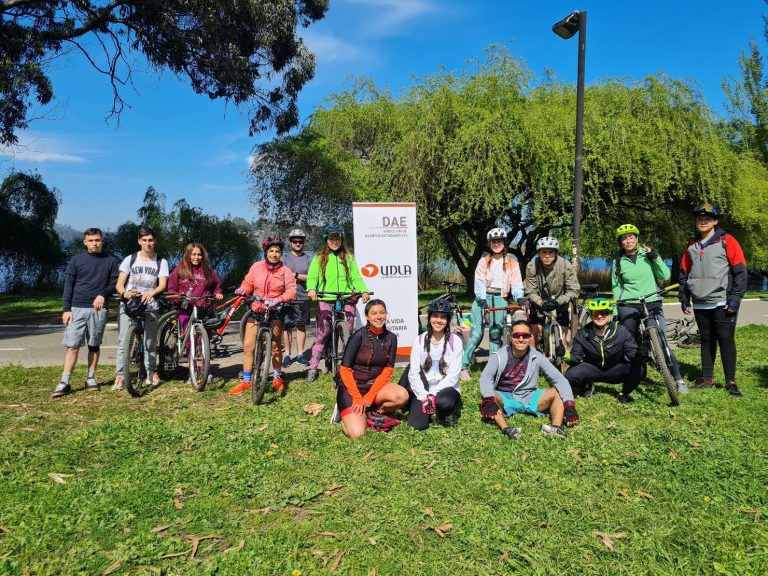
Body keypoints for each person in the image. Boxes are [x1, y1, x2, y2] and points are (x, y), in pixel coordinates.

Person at [679, 203, 748, 397]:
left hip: (722, 300)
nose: (702, 221)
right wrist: (684, 297)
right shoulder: (691, 244)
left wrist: (735, 298)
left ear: (715, 221)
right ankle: (707, 379)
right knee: (706, 340)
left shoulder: (727, 241)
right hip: (700, 301)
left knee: (726, 339)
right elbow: (684, 272)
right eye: (700, 219)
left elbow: (740, 271)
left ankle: (730, 381)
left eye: (707, 219)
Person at [612, 224, 688, 394]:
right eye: (624, 238)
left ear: (637, 239)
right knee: (628, 339)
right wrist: (617, 308)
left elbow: (665, 276)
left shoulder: (647, 254)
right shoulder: (617, 261)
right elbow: (616, 287)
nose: (628, 240)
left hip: (652, 300)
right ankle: (633, 372)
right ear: (620, 242)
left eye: (631, 237)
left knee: (662, 341)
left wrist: (656, 257)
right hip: (629, 302)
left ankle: (678, 379)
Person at [478, 319, 578, 440]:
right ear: (511, 337)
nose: (521, 339)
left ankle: (555, 428)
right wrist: (489, 400)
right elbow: (486, 378)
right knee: (490, 396)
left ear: (531, 337)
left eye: (525, 335)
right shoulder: (498, 356)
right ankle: (506, 429)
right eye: (517, 335)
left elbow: (559, 379)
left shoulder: (537, 356)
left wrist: (569, 404)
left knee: (557, 391)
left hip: (530, 396)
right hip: (505, 397)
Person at [53, 228, 120, 397]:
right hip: (77, 308)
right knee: (72, 346)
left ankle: (91, 378)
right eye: (91, 240)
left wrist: (103, 294)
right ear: (85, 242)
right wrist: (66, 309)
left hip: (98, 309)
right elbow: (68, 286)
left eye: (97, 240)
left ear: (102, 241)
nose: (94, 243)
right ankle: (64, 382)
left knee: (94, 345)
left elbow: (114, 284)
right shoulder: (76, 260)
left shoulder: (111, 261)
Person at [229, 237, 297, 394]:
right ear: (266, 252)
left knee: (274, 346)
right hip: (257, 309)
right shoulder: (256, 267)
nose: (274, 254)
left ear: (281, 253)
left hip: (276, 311)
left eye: (277, 251)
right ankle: (247, 381)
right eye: (271, 251)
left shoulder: (285, 271)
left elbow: (291, 291)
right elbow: (248, 283)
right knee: (248, 346)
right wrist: (243, 290)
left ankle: (277, 377)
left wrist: (278, 299)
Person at [333, 299, 409, 439]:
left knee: (402, 396)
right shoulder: (358, 336)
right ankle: (342, 413)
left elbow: (388, 370)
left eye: (382, 312)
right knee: (357, 433)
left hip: (375, 388)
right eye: (374, 313)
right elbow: (344, 369)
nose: (378, 316)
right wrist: (357, 397)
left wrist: (370, 396)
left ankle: (373, 412)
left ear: (386, 314)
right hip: (352, 388)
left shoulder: (391, 338)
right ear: (367, 317)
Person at [305, 224, 370, 382]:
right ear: (326, 240)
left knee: (347, 331)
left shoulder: (348, 257)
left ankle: (348, 367)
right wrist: (311, 289)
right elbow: (312, 276)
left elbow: (355, 277)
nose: (334, 241)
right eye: (331, 238)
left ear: (342, 240)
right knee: (323, 334)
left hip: (346, 297)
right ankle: (313, 368)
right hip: (326, 298)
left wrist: (363, 290)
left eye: (337, 238)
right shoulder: (320, 257)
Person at [461, 228, 524, 382]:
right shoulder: (484, 261)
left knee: (496, 334)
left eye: (499, 241)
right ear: (490, 244)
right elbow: (480, 280)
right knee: (477, 333)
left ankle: (493, 369)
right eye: (494, 241)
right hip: (482, 298)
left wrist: (519, 297)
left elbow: (516, 283)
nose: (497, 244)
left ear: (504, 243)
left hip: (500, 297)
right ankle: (463, 366)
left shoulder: (512, 263)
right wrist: (482, 298)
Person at [114, 226, 169, 390]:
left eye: (150, 240)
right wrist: (125, 293)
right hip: (130, 305)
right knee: (124, 341)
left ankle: (151, 372)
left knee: (150, 342)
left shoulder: (161, 261)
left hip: (150, 306)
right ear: (139, 241)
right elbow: (119, 284)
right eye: (144, 240)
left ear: (155, 241)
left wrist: (152, 292)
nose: (147, 243)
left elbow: (163, 285)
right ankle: (120, 375)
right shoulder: (130, 259)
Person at [399, 299, 464, 430]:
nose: (438, 320)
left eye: (443, 317)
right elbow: (414, 372)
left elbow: (453, 376)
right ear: (429, 318)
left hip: (445, 388)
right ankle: (415, 403)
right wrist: (423, 396)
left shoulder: (455, 341)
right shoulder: (419, 340)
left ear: (448, 320)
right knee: (418, 424)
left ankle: (445, 412)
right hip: (424, 388)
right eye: (435, 316)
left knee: (444, 403)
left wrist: (433, 394)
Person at [565, 299, 643, 403]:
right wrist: (564, 354)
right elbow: (575, 358)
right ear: (592, 315)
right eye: (596, 313)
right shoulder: (583, 333)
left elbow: (631, 352)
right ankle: (587, 385)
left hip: (616, 369)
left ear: (610, 314)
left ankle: (623, 394)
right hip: (593, 369)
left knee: (639, 369)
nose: (600, 316)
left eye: (604, 312)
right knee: (570, 374)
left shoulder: (621, 331)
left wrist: (640, 355)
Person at [524, 236, 580, 346]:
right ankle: (533, 359)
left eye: (551, 252)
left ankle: (560, 360)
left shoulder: (565, 265)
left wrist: (558, 301)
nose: (547, 255)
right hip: (538, 304)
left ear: (556, 253)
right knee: (534, 332)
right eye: (544, 252)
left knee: (562, 336)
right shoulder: (532, 266)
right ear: (539, 253)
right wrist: (541, 303)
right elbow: (530, 291)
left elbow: (574, 290)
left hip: (560, 303)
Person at [168, 242, 224, 333]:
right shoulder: (179, 271)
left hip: (205, 309)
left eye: (199, 255)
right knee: (189, 337)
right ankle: (187, 346)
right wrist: (177, 297)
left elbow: (217, 285)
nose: (196, 257)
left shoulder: (209, 271)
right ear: (188, 255)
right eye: (193, 254)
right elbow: (171, 289)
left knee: (206, 337)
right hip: (186, 308)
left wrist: (218, 293)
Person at [281, 228, 312, 368]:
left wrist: (295, 276)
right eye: (295, 241)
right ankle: (287, 355)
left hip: (303, 296)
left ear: (304, 242)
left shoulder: (308, 258)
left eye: (300, 241)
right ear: (290, 242)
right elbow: (280, 276)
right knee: (287, 327)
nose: (298, 243)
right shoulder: (284, 258)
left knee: (301, 326)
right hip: (287, 297)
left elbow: (311, 277)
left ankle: (300, 355)